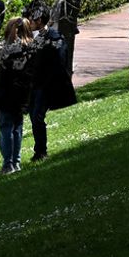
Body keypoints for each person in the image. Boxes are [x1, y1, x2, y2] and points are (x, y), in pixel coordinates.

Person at [26, 18, 77, 162]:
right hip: (34, 84)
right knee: (33, 116)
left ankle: (41, 151)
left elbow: (59, 60)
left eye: (32, 19)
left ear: (39, 20)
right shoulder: (34, 37)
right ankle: (39, 150)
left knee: (37, 116)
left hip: (46, 84)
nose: (29, 22)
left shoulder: (54, 37)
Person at [0, 18, 35, 173]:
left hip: (7, 93)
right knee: (17, 128)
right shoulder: (31, 46)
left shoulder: (8, 48)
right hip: (23, 93)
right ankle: (15, 162)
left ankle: (8, 163)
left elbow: (1, 61)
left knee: (6, 128)